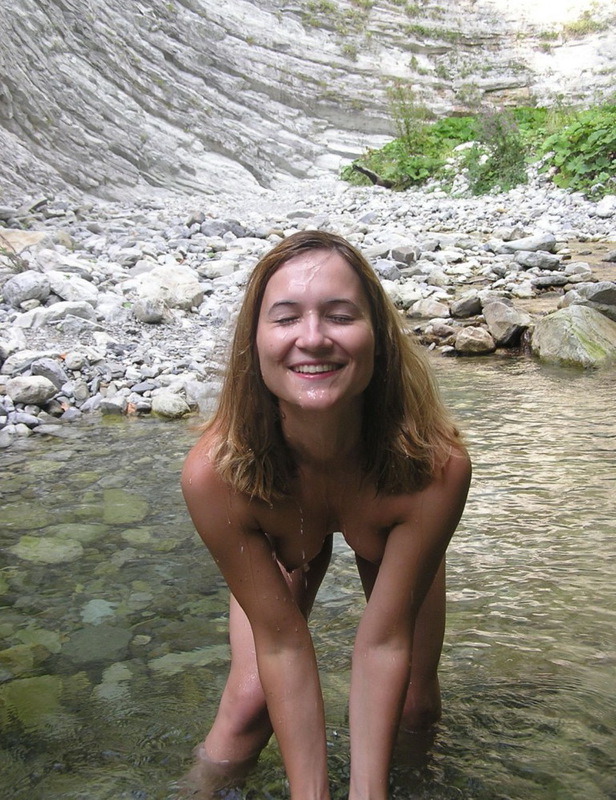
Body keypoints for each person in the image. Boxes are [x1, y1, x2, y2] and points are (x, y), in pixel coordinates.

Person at [181, 230, 471, 800]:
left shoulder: (436, 467)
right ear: (254, 343)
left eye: (340, 316)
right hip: (280, 529)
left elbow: (383, 644)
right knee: (249, 704)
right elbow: (282, 646)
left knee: (414, 702)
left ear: (378, 336)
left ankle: (416, 784)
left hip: (387, 517)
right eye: (286, 318)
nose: (312, 339)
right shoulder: (216, 476)